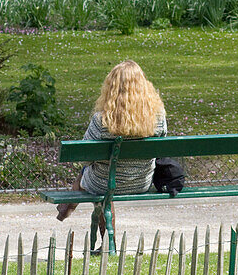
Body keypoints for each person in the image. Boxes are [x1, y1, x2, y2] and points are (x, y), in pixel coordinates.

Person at [56, 60, 167, 228]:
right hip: (141, 181)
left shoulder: (101, 120)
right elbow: (161, 148)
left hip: (103, 183)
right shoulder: (158, 118)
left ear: (111, 88)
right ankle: (68, 207)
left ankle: (69, 209)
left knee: (90, 175)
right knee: (98, 177)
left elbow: (86, 158)